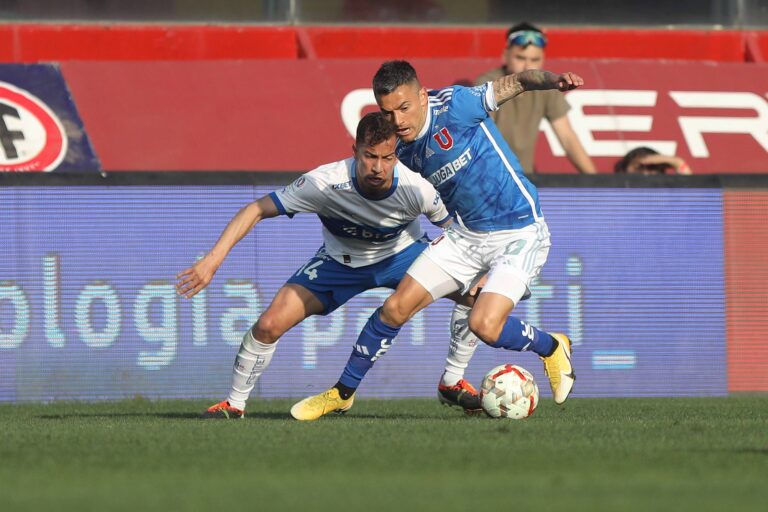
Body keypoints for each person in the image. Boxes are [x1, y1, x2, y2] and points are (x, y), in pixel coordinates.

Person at [292, 60, 578, 420]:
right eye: (387, 111)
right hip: (465, 235)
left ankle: (552, 346)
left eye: (404, 107)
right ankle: (342, 393)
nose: (397, 120)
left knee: (484, 325)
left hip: (518, 230)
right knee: (395, 308)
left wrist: (555, 81)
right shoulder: (400, 145)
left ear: (423, 96)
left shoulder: (457, 106)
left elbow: (519, 81)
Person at [176, 112, 484, 419]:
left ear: (396, 154)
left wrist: (479, 273)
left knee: (478, 296)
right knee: (268, 325)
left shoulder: (418, 186)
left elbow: (458, 232)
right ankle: (234, 404)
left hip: (403, 257)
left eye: (387, 157)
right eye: (369, 156)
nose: (378, 167)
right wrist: (213, 259)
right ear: (355, 151)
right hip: (340, 263)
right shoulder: (324, 182)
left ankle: (451, 380)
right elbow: (256, 209)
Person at [475, 22, 596, 175]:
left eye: (534, 60)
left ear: (543, 59)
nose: (527, 66)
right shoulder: (488, 83)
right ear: (505, 55)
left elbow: (567, 138)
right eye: (520, 58)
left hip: (524, 179)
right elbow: (484, 135)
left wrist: (601, 187)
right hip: (489, 177)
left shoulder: (547, 89)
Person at [614, 146, 693, 175]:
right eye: (639, 167)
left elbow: (680, 164)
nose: (645, 172)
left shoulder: (668, 193)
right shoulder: (618, 195)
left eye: (651, 167)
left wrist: (674, 161)